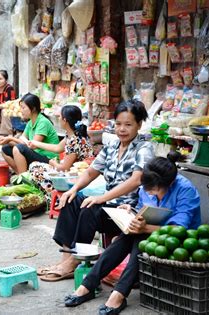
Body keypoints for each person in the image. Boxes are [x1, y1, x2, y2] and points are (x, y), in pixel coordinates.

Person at [64, 153, 201, 314]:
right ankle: (87, 286)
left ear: (169, 184)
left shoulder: (185, 190)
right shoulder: (147, 185)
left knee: (140, 238)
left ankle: (118, 294)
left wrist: (145, 229)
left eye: (155, 192)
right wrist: (132, 212)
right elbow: (144, 210)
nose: (150, 194)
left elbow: (180, 230)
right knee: (127, 237)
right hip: (150, 232)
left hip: (181, 240)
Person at [38, 100, 154, 281]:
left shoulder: (144, 148)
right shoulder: (112, 147)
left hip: (128, 211)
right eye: (119, 124)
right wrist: (73, 189)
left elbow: (136, 180)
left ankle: (75, 261)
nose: (122, 129)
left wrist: (101, 198)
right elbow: (91, 171)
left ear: (139, 124)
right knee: (73, 200)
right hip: (109, 205)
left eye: (128, 124)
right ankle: (67, 258)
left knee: (90, 209)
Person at [29, 105, 94, 194]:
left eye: (60, 116)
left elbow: (63, 168)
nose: (58, 118)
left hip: (75, 177)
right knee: (35, 165)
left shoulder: (74, 140)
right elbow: (57, 148)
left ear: (65, 120)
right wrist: (36, 143)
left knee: (36, 170)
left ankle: (52, 198)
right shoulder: (73, 134)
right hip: (72, 173)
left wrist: (52, 162)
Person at [0, 93, 59, 174]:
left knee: (18, 149)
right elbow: (22, 141)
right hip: (36, 154)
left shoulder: (43, 122)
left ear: (33, 109)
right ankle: (20, 175)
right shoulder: (30, 122)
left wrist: (10, 138)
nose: (21, 110)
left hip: (49, 159)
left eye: (23, 108)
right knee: (5, 149)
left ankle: (24, 179)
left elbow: (32, 146)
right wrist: (5, 140)